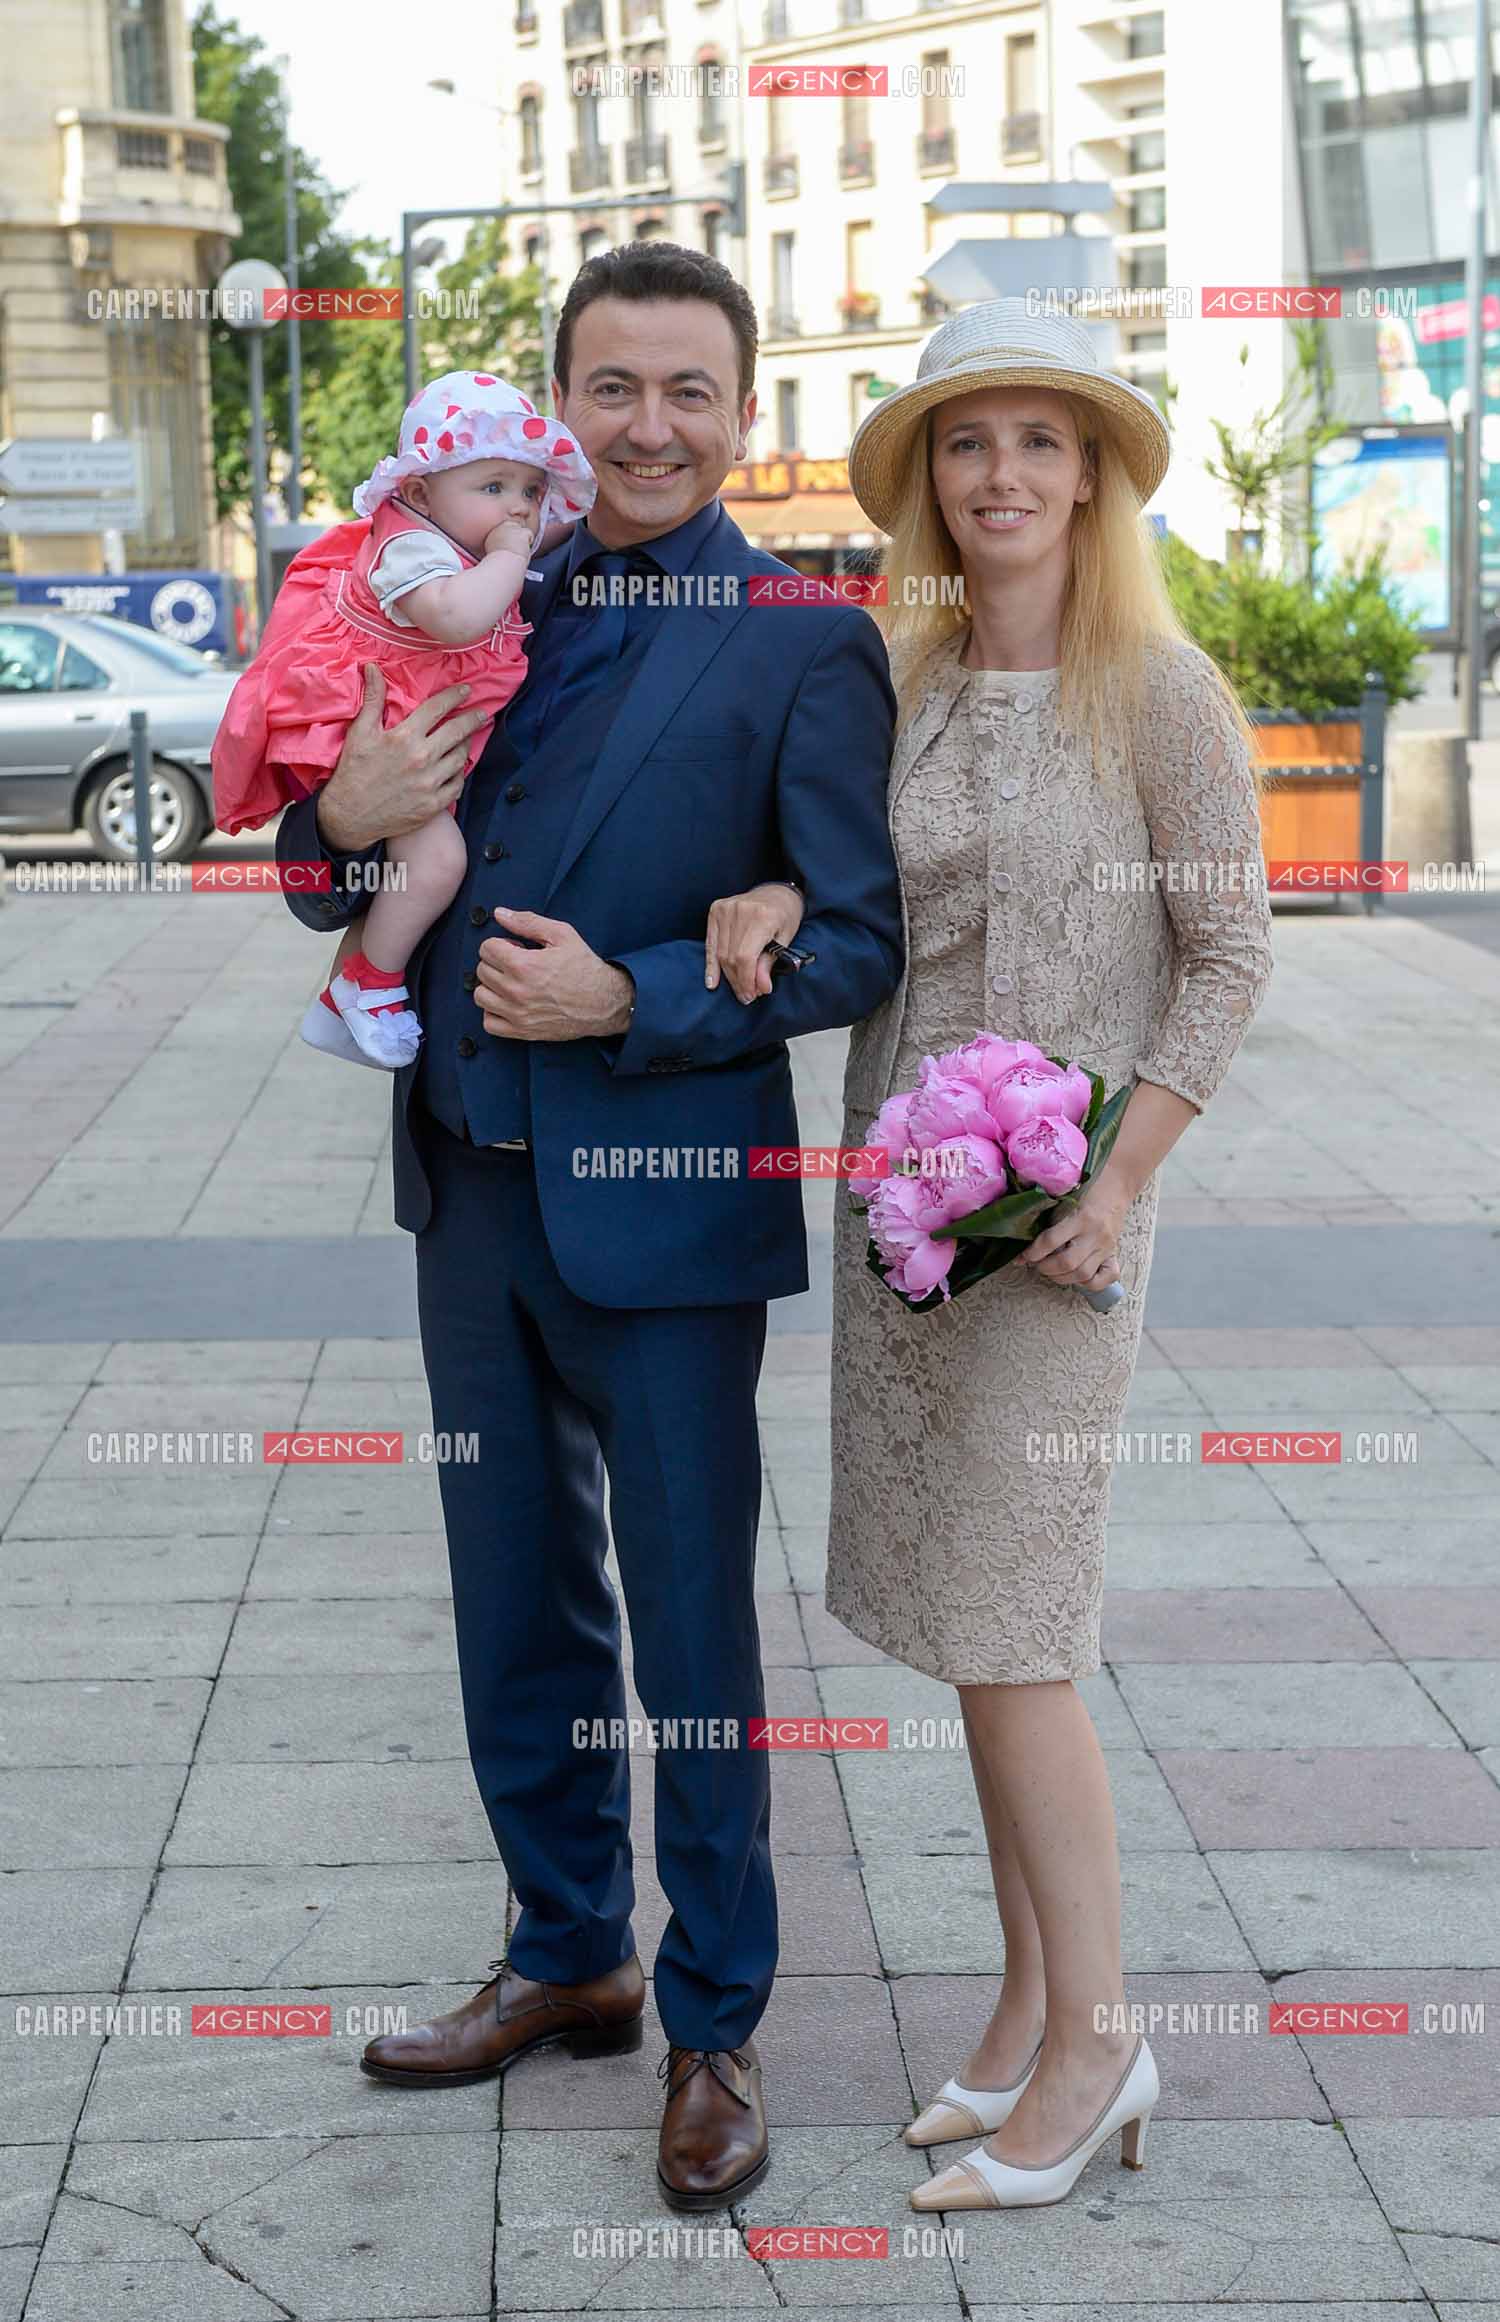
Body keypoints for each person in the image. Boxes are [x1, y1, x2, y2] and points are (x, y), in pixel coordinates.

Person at [270, 242, 904, 2210]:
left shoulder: (804, 641)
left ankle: (716, 2023)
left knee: (695, 1625)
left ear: (742, 411)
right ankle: (569, 1955)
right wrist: (339, 817)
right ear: (555, 409)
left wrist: (641, 996)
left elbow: (862, 932)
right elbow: (325, 864)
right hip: (466, 1181)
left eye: (686, 391)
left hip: (669, 1204)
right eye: (609, 390)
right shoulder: (471, 592)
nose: (646, 427)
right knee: (513, 1597)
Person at [819, 299, 1275, 2210]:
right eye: (965, 440)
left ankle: (1098, 2046)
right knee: (958, 1625)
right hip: (916, 1217)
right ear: (932, 479)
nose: (999, 474)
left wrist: (1117, 1184)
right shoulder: (901, 680)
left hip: (1071, 1237)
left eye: (1038, 439)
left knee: (1021, 1635)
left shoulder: (1159, 691)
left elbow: (1231, 954)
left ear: (1093, 474)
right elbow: (861, 911)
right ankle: (1020, 2005)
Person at [212, 371, 596, 1067]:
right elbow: (456, 618)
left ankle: (339, 1004)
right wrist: (512, 553)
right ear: (419, 493)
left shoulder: (460, 535)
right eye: (493, 488)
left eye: (530, 490)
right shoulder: (411, 545)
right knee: (436, 857)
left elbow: (550, 530)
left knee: (417, 857)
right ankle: (369, 981)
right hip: (362, 720)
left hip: (407, 718)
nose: (518, 510)